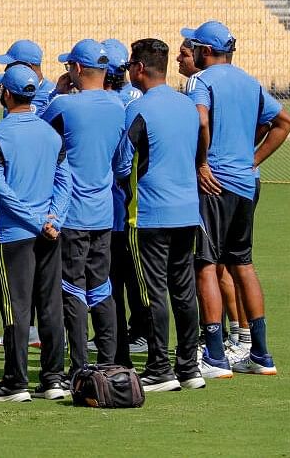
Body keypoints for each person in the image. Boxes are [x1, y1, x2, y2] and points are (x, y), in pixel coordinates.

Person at [182, 21, 290, 376]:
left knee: (206, 265)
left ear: (206, 50)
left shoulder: (200, 81)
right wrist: (252, 160)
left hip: (214, 183)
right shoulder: (250, 81)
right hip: (247, 182)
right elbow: (284, 122)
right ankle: (260, 353)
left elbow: (199, 121)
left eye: (195, 45)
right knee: (242, 263)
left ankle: (214, 356)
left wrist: (201, 162)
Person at [112, 38, 205, 392]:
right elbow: (198, 150)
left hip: (149, 214)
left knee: (152, 292)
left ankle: (158, 367)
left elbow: (122, 163)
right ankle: (189, 367)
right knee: (183, 290)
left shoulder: (139, 109)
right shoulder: (186, 105)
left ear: (138, 68)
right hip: (187, 211)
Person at [0, 65, 70, 403]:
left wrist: (34, 220)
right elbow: (64, 182)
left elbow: (2, 190)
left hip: (15, 234)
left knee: (15, 309)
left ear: (6, 94)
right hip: (49, 233)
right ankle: (52, 379)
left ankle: (16, 381)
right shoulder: (50, 134)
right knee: (50, 307)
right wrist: (54, 219)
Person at [41, 39, 124, 377]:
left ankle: (80, 367)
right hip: (104, 212)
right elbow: (121, 162)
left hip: (69, 212)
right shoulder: (119, 105)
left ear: (76, 69)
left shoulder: (63, 104)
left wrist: (54, 94)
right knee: (101, 285)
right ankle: (109, 361)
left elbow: (39, 137)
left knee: (72, 288)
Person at [100, 38, 148, 364]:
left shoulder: (118, 103)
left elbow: (120, 162)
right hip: (135, 199)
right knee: (131, 273)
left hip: (120, 200)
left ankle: (133, 337)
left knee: (122, 274)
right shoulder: (136, 98)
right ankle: (136, 334)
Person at [0, 40, 57, 115]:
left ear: (27, 66)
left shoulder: (53, 95)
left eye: (10, 65)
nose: (6, 69)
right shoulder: (12, 91)